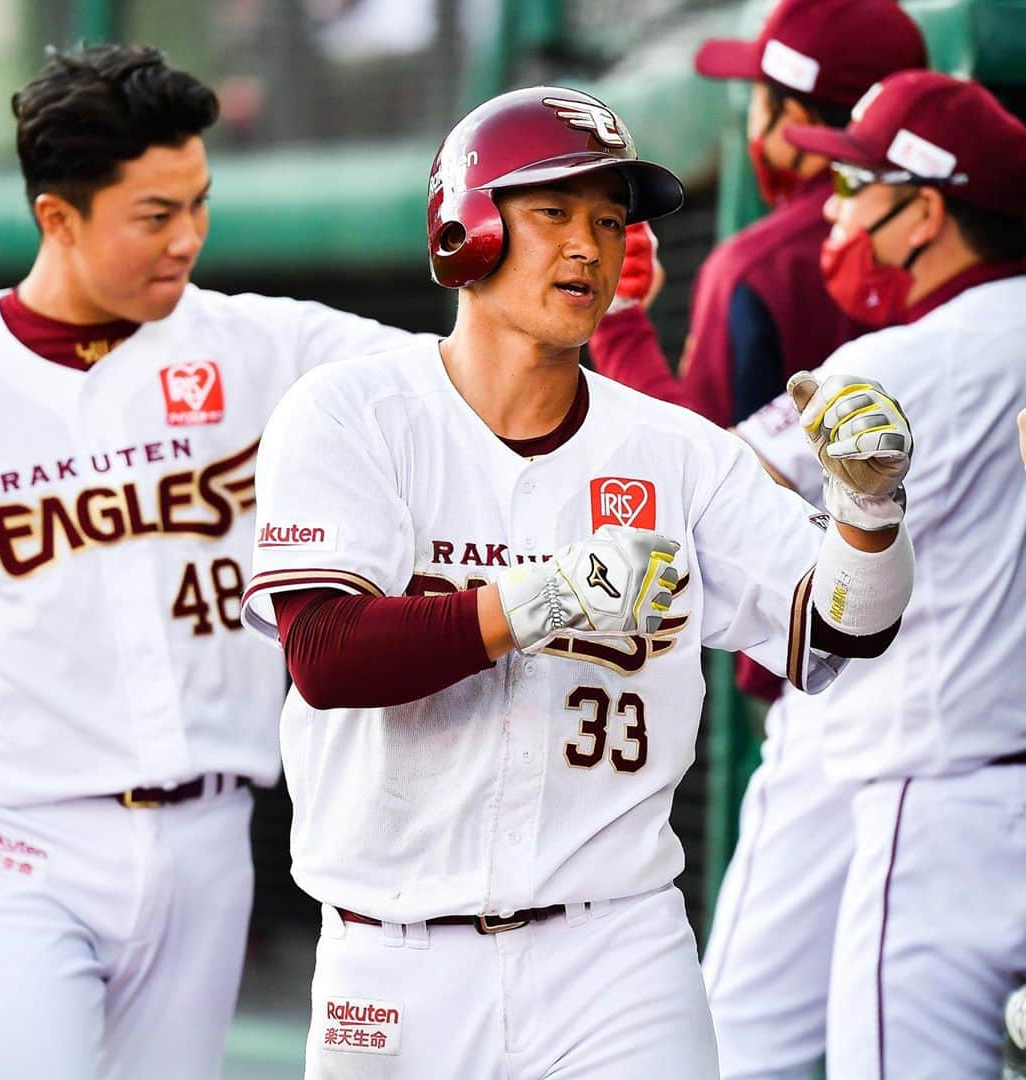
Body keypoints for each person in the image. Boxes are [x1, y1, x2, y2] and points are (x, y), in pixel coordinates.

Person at [241, 85, 918, 1079]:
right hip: (394, 954)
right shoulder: (351, 413)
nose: (589, 246)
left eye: (610, 221)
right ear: (467, 227)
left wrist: (868, 517)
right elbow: (327, 657)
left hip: (617, 955)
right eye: (553, 212)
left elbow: (834, 637)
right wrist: (545, 595)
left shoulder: (676, 452)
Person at [0, 44, 412, 1080]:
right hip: (13, 846)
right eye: (155, 216)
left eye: (198, 203)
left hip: (210, 837)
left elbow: (455, 376)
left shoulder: (261, 344)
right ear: (57, 218)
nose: (190, 237)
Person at [733, 70, 1026, 1077]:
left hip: (936, 797)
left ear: (927, 213)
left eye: (862, 188)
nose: (841, 207)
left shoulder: (897, 362)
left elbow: (704, 492)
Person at [592, 0, 926, 711]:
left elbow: (694, 473)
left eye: (760, 98)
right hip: (971, 655)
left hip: (820, 651)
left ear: (795, 120)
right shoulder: (952, 253)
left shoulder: (756, 265)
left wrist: (618, 327)